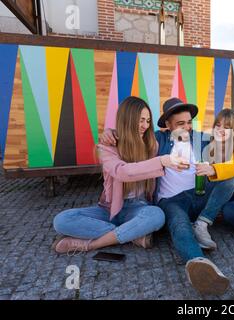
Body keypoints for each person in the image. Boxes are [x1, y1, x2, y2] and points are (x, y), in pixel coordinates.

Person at [100, 97, 234, 296]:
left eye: (189, 122)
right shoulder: (157, 140)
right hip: (172, 200)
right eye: (180, 123)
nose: (187, 127)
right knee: (179, 225)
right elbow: (131, 133)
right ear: (168, 125)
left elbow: (229, 140)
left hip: (199, 195)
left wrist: (217, 164)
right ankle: (200, 264)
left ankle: (203, 222)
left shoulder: (201, 138)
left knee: (229, 177)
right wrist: (110, 133)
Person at [52, 97, 182, 255]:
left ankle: (90, 245)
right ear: (127, 119)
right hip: (109, 210)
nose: (145, 126)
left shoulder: (151, 144)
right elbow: (123, 172)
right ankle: (133, 235)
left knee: (156, 215)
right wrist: (161, 161)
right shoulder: (106, 148)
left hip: (138, 207)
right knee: (62, 220)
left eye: (148, 121)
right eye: (141, 120)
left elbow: (172, 133)